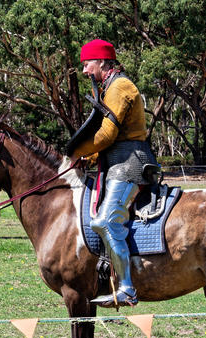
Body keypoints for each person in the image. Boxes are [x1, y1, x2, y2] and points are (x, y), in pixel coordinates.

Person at [72, 39, 158, 308]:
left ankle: (128, 289)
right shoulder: (109, 86)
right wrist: (90, 155)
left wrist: (77, 152)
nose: (85, 71)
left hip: (129, 164)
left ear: (102, 63)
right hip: (115, 161)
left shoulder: (120, 86)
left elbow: (108, 134)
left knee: (106, 222)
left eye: (87, 64)